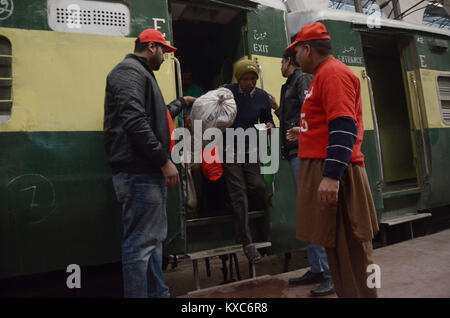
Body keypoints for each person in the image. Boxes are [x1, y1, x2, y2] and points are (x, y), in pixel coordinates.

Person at [286, 22, 379, 298]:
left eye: (296, 52)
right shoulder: (324, 75)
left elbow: (344, 127)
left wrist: (331, 176)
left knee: (354, 252)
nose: (294, 58)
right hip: (332, 169)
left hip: (340, 175)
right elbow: (329, 125)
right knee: (338, 252)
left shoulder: (333, 74)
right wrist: (304, 133)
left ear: (307, 49)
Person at [103, 28, 195, 298]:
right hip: (139, 172)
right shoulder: (129, 72)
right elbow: (135, 121)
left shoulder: (140, 74)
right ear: (151, 47)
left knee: (152, 243)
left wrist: (181, 102)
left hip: (145, 171)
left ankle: (159, 293)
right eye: (164, 51)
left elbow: (156, 116)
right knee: (140, 245)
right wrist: (164, 160)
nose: (166, 57)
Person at [270, 50, 334, 296]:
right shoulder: (292, 83)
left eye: (281, 62)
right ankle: (317, 268)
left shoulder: (301, 80)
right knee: (307, 210)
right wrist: (277, 109)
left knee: (313, 211)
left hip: (304, 152)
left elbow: (309, 114)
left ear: (288, 61)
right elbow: (293, 115)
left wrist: (301, 133)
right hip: (296, 150)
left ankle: (329, 273)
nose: (280, 66)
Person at [222, 59, 275, 264]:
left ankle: (263, 232)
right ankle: (247, 243)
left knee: (258, 186)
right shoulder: (226, 92)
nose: (250, 82)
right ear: (238, 79)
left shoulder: (262, 97)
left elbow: (267, 119)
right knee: (239, 192)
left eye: (253, 78)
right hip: (229, 149)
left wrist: (269, 125)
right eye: (246, 79)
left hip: (251, 149)